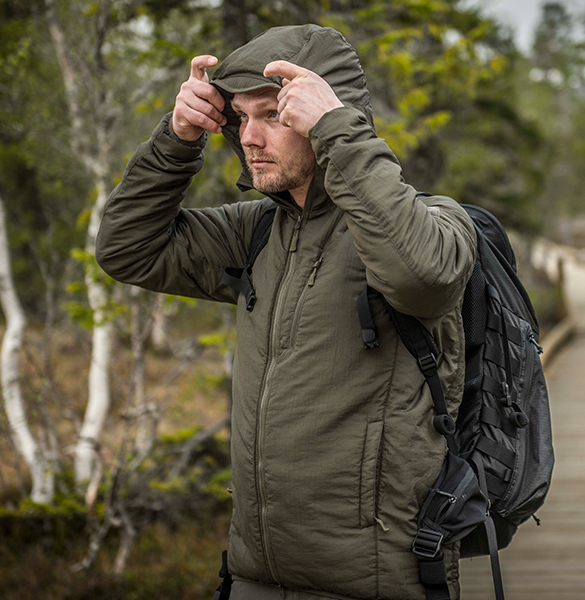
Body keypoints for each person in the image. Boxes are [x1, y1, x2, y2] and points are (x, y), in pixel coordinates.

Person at [96, 24, 477, 600]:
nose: (249, 137)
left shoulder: (434, 224)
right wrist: (177, 139)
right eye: (239, 118)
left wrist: (338, 129)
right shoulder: (256, 232)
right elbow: (126, 249)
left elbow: (421, 278)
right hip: (253, 576)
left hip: (375, 584)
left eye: (272, 114)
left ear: (324, 115)